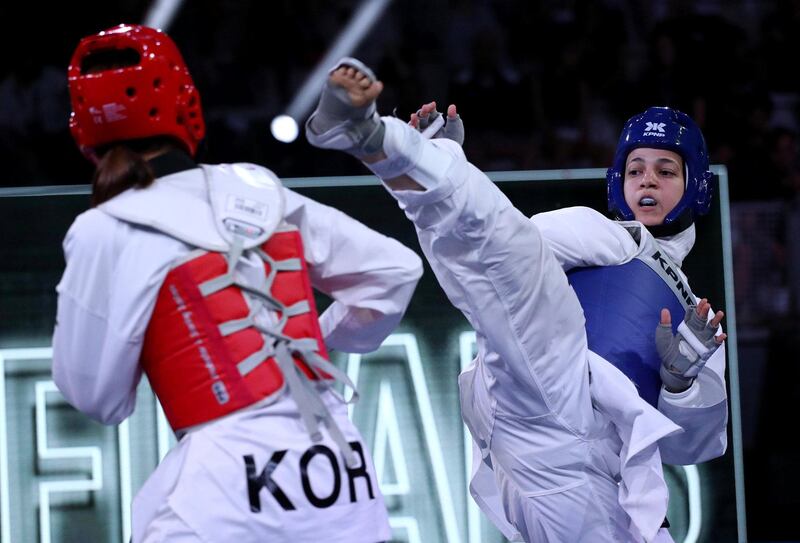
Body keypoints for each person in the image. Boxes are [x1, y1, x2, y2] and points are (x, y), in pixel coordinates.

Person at [306, 59, 728, 542]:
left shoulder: (697, 319)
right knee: (501, 258)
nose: (647, 180)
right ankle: (384, 145)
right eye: (636, 169)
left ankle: (404, 154)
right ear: (618, 181)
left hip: (594, 479)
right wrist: (445, 164)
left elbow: (695, 447)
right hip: (549, 410)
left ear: (695, 185)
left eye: (665, 170)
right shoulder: (601, 232)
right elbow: (501, 252)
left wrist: (680, 384)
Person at [51, 25, 423, 543]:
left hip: (228, 487)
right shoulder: (255, 185)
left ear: (84, 131)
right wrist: (312, 343)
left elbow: (99, 398)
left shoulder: (105, 228)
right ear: (185, 104)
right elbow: (395, 270)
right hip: (341, 471)